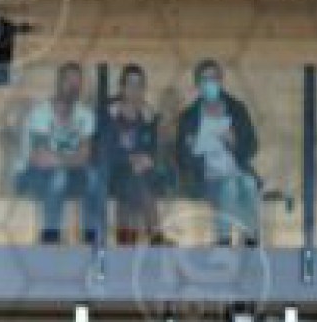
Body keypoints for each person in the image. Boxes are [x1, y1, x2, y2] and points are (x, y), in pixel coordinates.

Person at [176, 59, 262, 246]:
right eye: (205, 79)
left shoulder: (237, 109)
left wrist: (235, 142)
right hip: (207, 177)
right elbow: (181, 158)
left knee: (249, 183)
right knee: (230, 187)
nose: (210, 83)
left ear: (221, 81)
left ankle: (250, 240)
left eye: (214, 78)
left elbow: (253, 146)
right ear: (197, 84)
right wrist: (191, 148)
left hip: (236, 172)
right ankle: (223, 241)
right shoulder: (189, 117)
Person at [13, 62, 96, 245]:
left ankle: (91, 242)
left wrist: (60, 160)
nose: (74, 87)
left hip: (67, 173)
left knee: (93, 178)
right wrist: (72, 159)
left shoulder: (86, 115)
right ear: (59, 83)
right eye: (69, 81)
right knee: (59, 177)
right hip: (29, 174)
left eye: (77, 83)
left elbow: (85, 156)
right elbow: (40, 159)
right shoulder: (40, 113)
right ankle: (50, 239)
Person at [99, 64, 168, 245]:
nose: (134, 89)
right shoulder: (108, 114)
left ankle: (126, 243)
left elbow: (155, 150)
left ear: (143, 89)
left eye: (139, 85)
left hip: (143, 175)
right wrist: (130, 159)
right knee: (134, 182)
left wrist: (150, 158)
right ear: (122, 87)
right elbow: (104, 150)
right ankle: (156, 237)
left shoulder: (149, 117)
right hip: (114, 172)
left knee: (136, 182)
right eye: (130, 84)